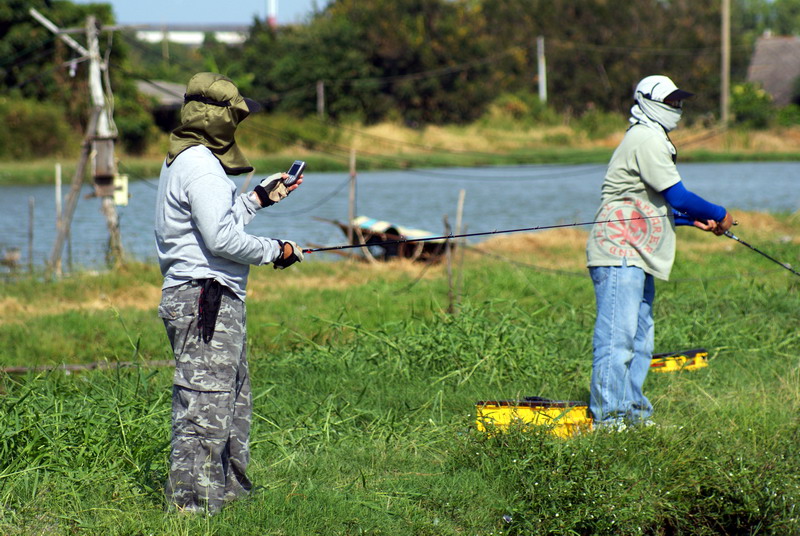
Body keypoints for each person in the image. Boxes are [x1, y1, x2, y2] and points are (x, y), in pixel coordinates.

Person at [154, 72, 304, 513]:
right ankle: (192, 510)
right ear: (217, 118)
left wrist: (258, 199)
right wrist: (277, 250)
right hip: (205, 297)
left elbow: (218, 223)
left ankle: (230, 498)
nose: (239, 126)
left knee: (231, 401)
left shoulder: (191, 160)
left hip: (214, 299)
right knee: (205, 407)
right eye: (236, 116)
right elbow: (220, 241)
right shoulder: (199, 163)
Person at [585, 75, 734, 430]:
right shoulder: (646, 139)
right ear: (648, 101)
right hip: (619, 251)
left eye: (679, 103)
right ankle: (609, 420)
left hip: (638, 252)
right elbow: (678, 196)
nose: (677, 109)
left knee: (639, 341)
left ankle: (633, 414)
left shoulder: (652, 136)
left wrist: (687, 222)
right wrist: (718, 215)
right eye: (671, 102)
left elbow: (653, 204)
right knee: (617, 340)